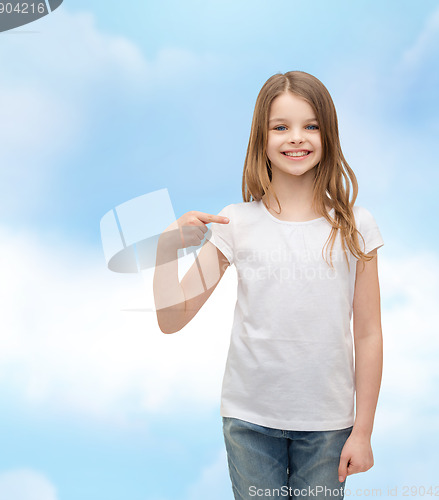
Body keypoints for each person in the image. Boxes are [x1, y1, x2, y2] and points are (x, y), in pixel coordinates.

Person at [153, 70, 384, 500]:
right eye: (281, 127)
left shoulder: (356, 226)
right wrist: (167, 251)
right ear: (261, 138)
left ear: (328, 134)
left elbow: (368, 333)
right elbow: (172, 319)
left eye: (310, 125)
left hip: (329, 427)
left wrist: (363, 431)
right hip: (249, 423)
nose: (296, 138)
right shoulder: (234, 224)